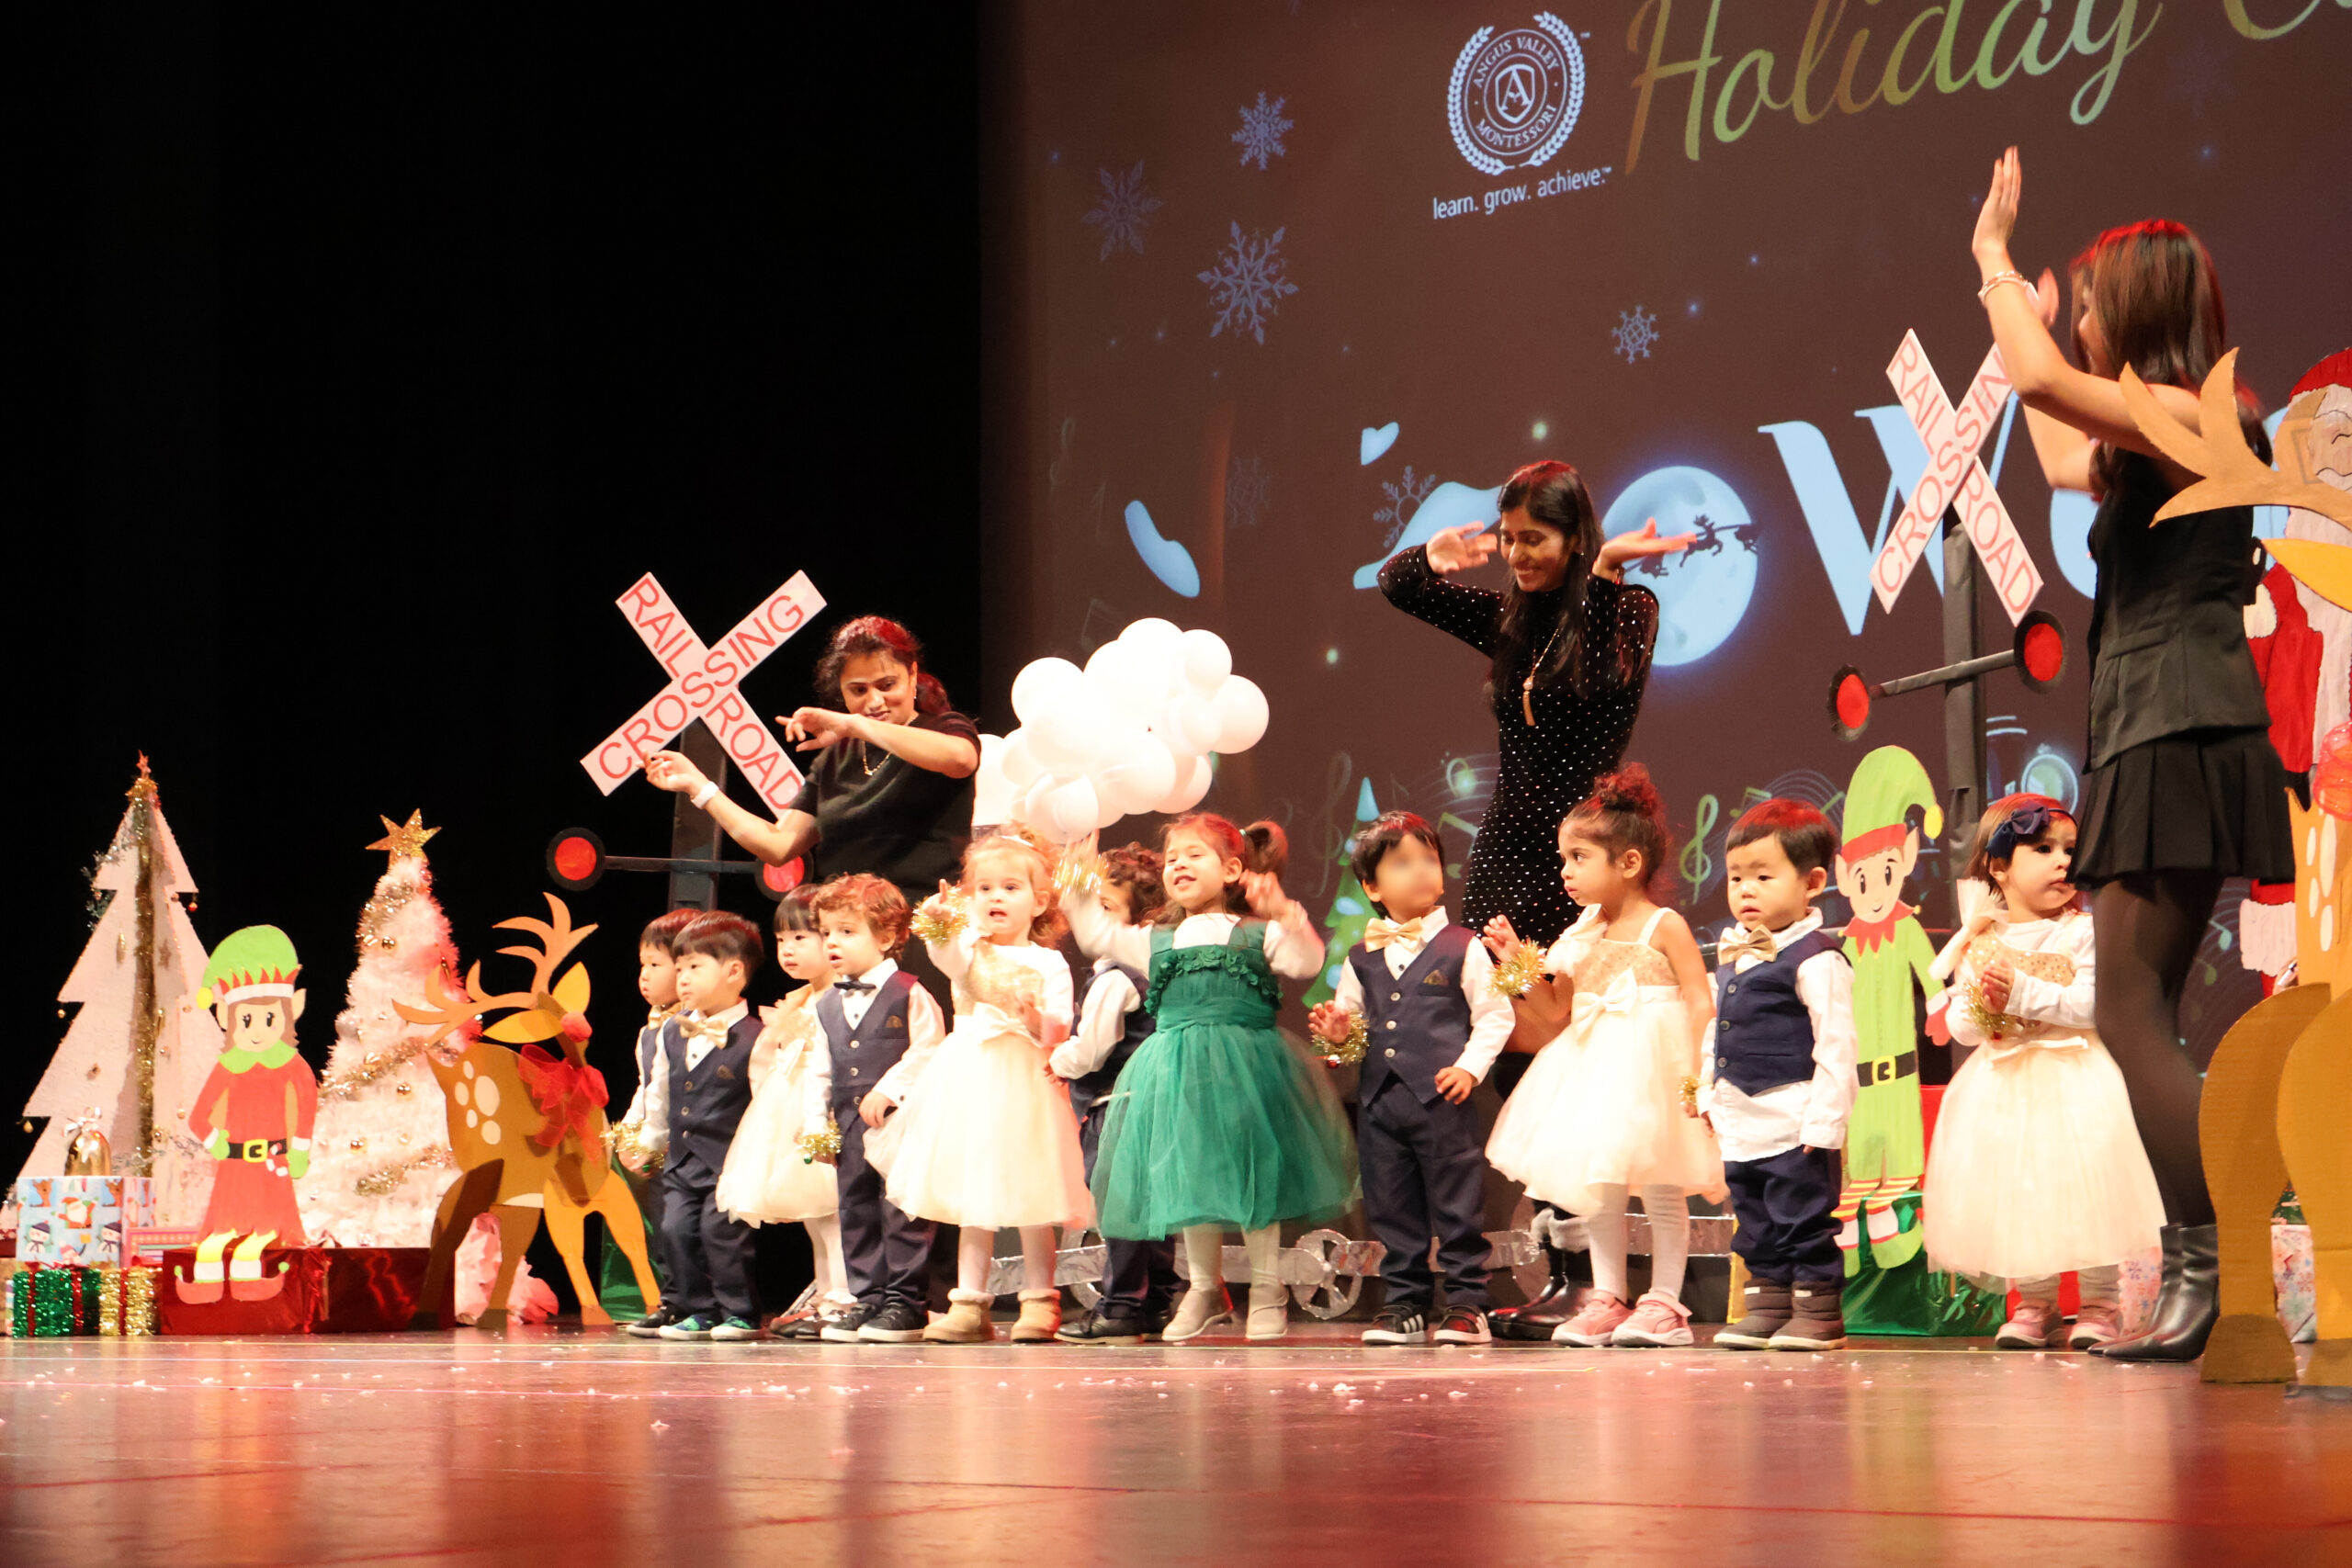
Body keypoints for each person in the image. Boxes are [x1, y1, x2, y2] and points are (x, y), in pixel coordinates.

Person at [1972, 146, 2294, 1360]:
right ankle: (2212, 1274)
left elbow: (2043, 374)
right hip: (2154, 722)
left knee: (2128, 1009)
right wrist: (2022, 327)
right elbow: (2060, 448)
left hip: (2176, 720)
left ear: (2143, 307)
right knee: (2133, 1007)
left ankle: (2215, 1270)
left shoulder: (2203, 414)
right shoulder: (2159, 431)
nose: (2083, 319)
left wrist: (1994, 261)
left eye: (2098, 299)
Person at [1378, 460, 1684, 1337]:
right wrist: (1432, 555)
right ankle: (1566, 1271)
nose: (1517, 554)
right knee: (1517, 1055)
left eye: (1535, 539)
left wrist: (1606, 575)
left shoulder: (1626, 609)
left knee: (1587, 1051)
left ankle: (1615, 1285)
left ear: (1575, 537)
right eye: (1508, 538)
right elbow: (1399, 587)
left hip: (1581, 857)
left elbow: (1612, 679)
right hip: (1506, 856)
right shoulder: (1511, 619)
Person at [1061, 815, 1357, 1343]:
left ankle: (1266, 1289)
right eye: (1172, 857)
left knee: (1253, 1173)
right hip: (1178, 1073)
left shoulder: (1256, 932)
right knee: (1190, 1173)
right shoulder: (1155, 938)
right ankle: (1203, 1289)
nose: (1179, 864)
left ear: (1232, 870)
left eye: (1195, 855)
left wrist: (1284, 912)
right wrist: (1079, 879)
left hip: (1247, 1069)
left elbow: (1307, 961)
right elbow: (1095, 933)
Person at [1483, 768, 1722, 1349]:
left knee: (1662, 1185)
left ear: (1629, 863)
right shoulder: (1580, 934)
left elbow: (1698, 997)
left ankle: (1664, 1301)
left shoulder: (1664, 925)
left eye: (1579, 857)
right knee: (1602, 1185)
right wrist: (1518, 966)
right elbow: (1553, 1014)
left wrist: (1697, 1069)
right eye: (1563, 858)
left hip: (1656, 1071)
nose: (1565, 871)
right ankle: (1609, 1296)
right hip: (1593, 1073)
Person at [1923, 797, 2165, 1351]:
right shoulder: (1981, 938)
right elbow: (1962, 1028)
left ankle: (2101, 1302)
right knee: (2019, 1190)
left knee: (2091, 1187)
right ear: (1998, 866)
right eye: (2043, 849)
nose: (2063, 862)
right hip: (2003, 1083)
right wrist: (1983, 1006)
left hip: (2075, 1073)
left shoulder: (2082, 932)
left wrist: (2022, 992)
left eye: (2070, 851)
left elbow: (2093, 1006)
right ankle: (2034, 1302)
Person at [643, 615, 981, 1000]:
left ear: (913, 675)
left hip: (922, 932)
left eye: (887, 685)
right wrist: (700, 787)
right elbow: (778, 844)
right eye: (858, 690)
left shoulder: (945, 728)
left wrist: (853, 725)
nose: (874, 701)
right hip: (846, 941)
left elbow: (961, 759)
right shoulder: (836, 759)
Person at [876, 829, 1089, 1345]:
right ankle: (969, 1304)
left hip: (1026, 1083)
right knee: (974, 1193)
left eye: (1011, 888)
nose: (996, 897)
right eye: (984, 888)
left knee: (1035, 1193)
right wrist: (940, 921)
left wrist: (1037, 1020)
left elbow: (1060, 1025)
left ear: (1040, 902)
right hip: (970, 1078)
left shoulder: (1049, 962)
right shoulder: (968, 951)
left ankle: (1041, 1301)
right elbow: (945, 954)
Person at [1308, 811, 1514, 1346]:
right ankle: (1405, 1302)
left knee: (1456, 1203)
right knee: (1392, 1205)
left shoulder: (1462, 945)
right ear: (1372, 887)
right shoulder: (1362, 957)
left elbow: (1495, 1015)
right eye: (1402, 863)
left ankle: (1467, 1303)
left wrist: (1469, 1067)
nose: (1421, 870)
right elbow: (1353, 1030)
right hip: (1381, 1103)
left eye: (1429, 859)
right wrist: (1338, 1036)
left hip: (1441, 1100)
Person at [1698, 801, 1857, 1353]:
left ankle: (1818, 1311)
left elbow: (1837, 1045)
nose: (1747, 890)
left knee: (1801, 1217)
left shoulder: (1817, 958)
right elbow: (1716, 1029)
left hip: (1794, 1116)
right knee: (1755, 1218)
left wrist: (1826, 1123)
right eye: (1736, 877)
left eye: (1764, 877)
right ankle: (1768, 1306)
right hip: (1740, 1117)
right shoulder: (1732, 955)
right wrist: (1706, 1092)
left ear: (1812, 882)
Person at [803, 874, 948, 1343]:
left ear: (885, 937)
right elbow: (819, 1068)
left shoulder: (909, 992)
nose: (832, 942)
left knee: (902, 1212)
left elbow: (930, 1049)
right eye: (827, 932)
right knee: (856, 1212)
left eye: (847, 931)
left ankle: (906, 1303)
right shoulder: (826, 1004)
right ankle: (868, 1297)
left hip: (899, 1123)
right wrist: (816, 1125)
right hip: (849, 1125)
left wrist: (889, 1089)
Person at [1050, 844, 1183, 1345]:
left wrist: (1058, 1060)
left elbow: (1092, 1050)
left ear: (1139, 921)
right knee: (1149, 1208)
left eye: (1106, 906)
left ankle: (1122, 1305)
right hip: (1147, 1104)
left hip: (1116, 1106)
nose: (1094, 917)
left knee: (1121, 1208)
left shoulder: (1115, 980)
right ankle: (1156, 1301)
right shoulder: (1144, 973)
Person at [712, 887, 852, 1340]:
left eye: (801, 938)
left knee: (835, 1212)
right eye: (781, 940)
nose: (788, 950)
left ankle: (844, 1298)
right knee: (814, 1213)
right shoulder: (799, 1000)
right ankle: (826, 1295)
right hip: (791, 1113)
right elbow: (770, 1060)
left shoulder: (842, 996)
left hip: (826, 1113)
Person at [637, 911, 766, 1342]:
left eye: (695, 967)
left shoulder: (758, 1036)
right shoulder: (671, 1032)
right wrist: (650, 1142)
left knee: (721, 1234)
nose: (684, 978)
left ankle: (739, 1312)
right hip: (682, 1159)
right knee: (675, 1230)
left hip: (728, 1161)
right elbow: (659, 1091)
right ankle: (698, 1310)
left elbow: (765, 1101)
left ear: (733, 972)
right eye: (679, 969)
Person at [616, 907, 699, 1337]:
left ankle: (701, 1303)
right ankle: (674, 1300)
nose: (645, 976)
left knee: (688, 1229)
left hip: (690, 1145)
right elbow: (646, 1085)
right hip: (657, 1147)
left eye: (656, 965)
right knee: (664, 1229)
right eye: (642, 965)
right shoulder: (649, 1030)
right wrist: (630, 1132)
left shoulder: (696, 1027)